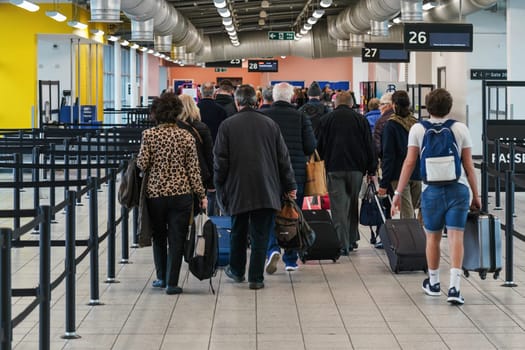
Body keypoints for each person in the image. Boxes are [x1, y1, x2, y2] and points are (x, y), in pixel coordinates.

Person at [391, 88, 481, 305]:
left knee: (432, 237)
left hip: (431, 191)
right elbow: (468, 166)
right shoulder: (460, 129)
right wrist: (476, 195)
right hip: (458, 190)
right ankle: (455, 287)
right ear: (449, 107)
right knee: (456, 237)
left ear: (427, 107)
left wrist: (398, 192)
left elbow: (410, 162)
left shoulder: (417, 129)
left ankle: (433, 283)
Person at [214, 84, 297, 290]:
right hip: (266, 188)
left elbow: (220, 161)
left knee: (238, 232)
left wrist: (218, 185)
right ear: (257, 101)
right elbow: (283, 159)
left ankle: (237, 270)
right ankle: (256, 278)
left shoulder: (227, 125)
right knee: (261, 234)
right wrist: (290, 185)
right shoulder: (270, 125)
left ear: (237, 102)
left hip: (237, 189)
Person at [136, 93, 207, 295]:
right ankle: (172, 283)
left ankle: (160, 277)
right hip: (181, 194)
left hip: (155, 194)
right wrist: (201, 195)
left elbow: (142, 164)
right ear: (177, 112)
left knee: (159, 236)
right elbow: (193, 170)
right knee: (177, 238)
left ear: (156, 113)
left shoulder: (149, 135)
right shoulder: (186, 136)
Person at [261, 82, 316, 273]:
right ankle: (291, 259)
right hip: (296, 173)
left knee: (269, 214)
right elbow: (310, 146)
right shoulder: (301, 116)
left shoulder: (264, 116)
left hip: (269, 174)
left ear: (273, 97)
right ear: (292, 97)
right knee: (293, 214)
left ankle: (272, 249)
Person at [316, 91, 377, 255]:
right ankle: (351, 239)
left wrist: (321, 163)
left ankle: (341, 243)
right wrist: (372, 169)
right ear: (352, 104)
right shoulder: (361, 120)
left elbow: (318, 146)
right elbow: (369, 146)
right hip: (357, 169)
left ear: (335, 104)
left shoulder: (325, 120)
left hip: (334, 168)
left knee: (338, 206)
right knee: (352, 204)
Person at [377, 91, 421, 219]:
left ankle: (409, 238)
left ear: (394, 105)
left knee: (407, 215)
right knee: (410, 212)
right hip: (417, 173)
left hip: (398, 174)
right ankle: (413, 238)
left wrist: (384, 183)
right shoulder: (416, 123)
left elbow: (388, 156)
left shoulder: (391, 126)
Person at [177, 94, 214, 214]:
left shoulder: (172, 129)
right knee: (196, 210)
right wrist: (211, 182)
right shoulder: (202, 127)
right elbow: (209, 155)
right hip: (199, 175)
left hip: (177, 176)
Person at [197, 82, 228, 216]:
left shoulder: (195, 109)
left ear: (200, 93)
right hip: (217, 153)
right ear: (214, 94)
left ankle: (200, 215)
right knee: (213, 187)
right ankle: (212, 215)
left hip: (197, 153)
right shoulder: (221, 111)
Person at [373, 92, 394, 158]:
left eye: (381, 104)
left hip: (387, 160)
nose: (379, 107)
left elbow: (377, 147)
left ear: (389, 105)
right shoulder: (401, 119)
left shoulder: (381, 122)